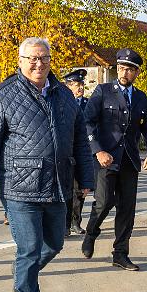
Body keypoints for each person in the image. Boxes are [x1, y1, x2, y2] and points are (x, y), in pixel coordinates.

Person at [0, 37, 94, 292]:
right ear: (21, 61)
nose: (39, 64)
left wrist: (87, 179)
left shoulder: (64, 96)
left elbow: (80, 140)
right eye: (32, 59)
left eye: (44, 58)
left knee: (54, 245)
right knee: (28, 248)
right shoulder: (3, 96)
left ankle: (21, 277)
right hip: (18, 187)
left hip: (56, 184)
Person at [81, 49, 147, 271]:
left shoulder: (141, 97)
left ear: (137, 72)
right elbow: (88, 123)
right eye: (122, 68)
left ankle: (120, 253)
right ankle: (91, 233)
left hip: (129, 161)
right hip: (106, 158)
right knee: (104, 202)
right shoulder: (103, 91)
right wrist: (98, 150)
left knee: (127, 209)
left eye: (130, 69)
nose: (125, 72)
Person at [63, 68, 89, 237]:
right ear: (69, 86)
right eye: (77, 84)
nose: (80, 88)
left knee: (80, 190)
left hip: (83, 152)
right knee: (67, 190)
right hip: (67, 153)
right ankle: (64, 225)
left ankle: (75, 223)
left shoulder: (89, 104)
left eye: (82, 84)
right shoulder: (63, 104)